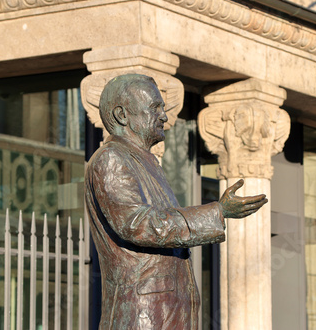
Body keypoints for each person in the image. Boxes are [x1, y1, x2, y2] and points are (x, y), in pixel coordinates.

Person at [85, 74, 268, 329]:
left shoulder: (146, 162)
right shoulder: (111, 159)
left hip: (167, 311)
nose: (164, 116)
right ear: (122, 115)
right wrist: (218, 211)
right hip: (143, 314)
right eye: (154, 108)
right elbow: (141, 225)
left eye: (163, 108)